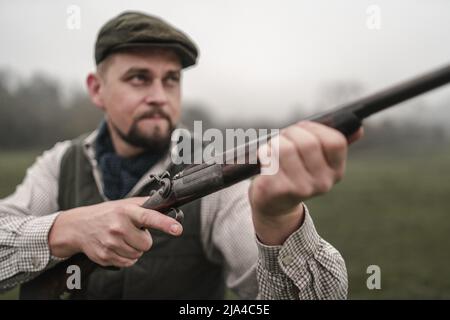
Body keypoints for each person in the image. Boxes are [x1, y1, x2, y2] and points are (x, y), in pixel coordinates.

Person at [0, 11, 362, 299]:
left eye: (171, 79)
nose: (159, 95)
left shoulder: (215, 173)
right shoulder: (60, 163)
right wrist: (66, 228)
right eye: (139, 78)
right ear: (97, 89)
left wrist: (278, 219)